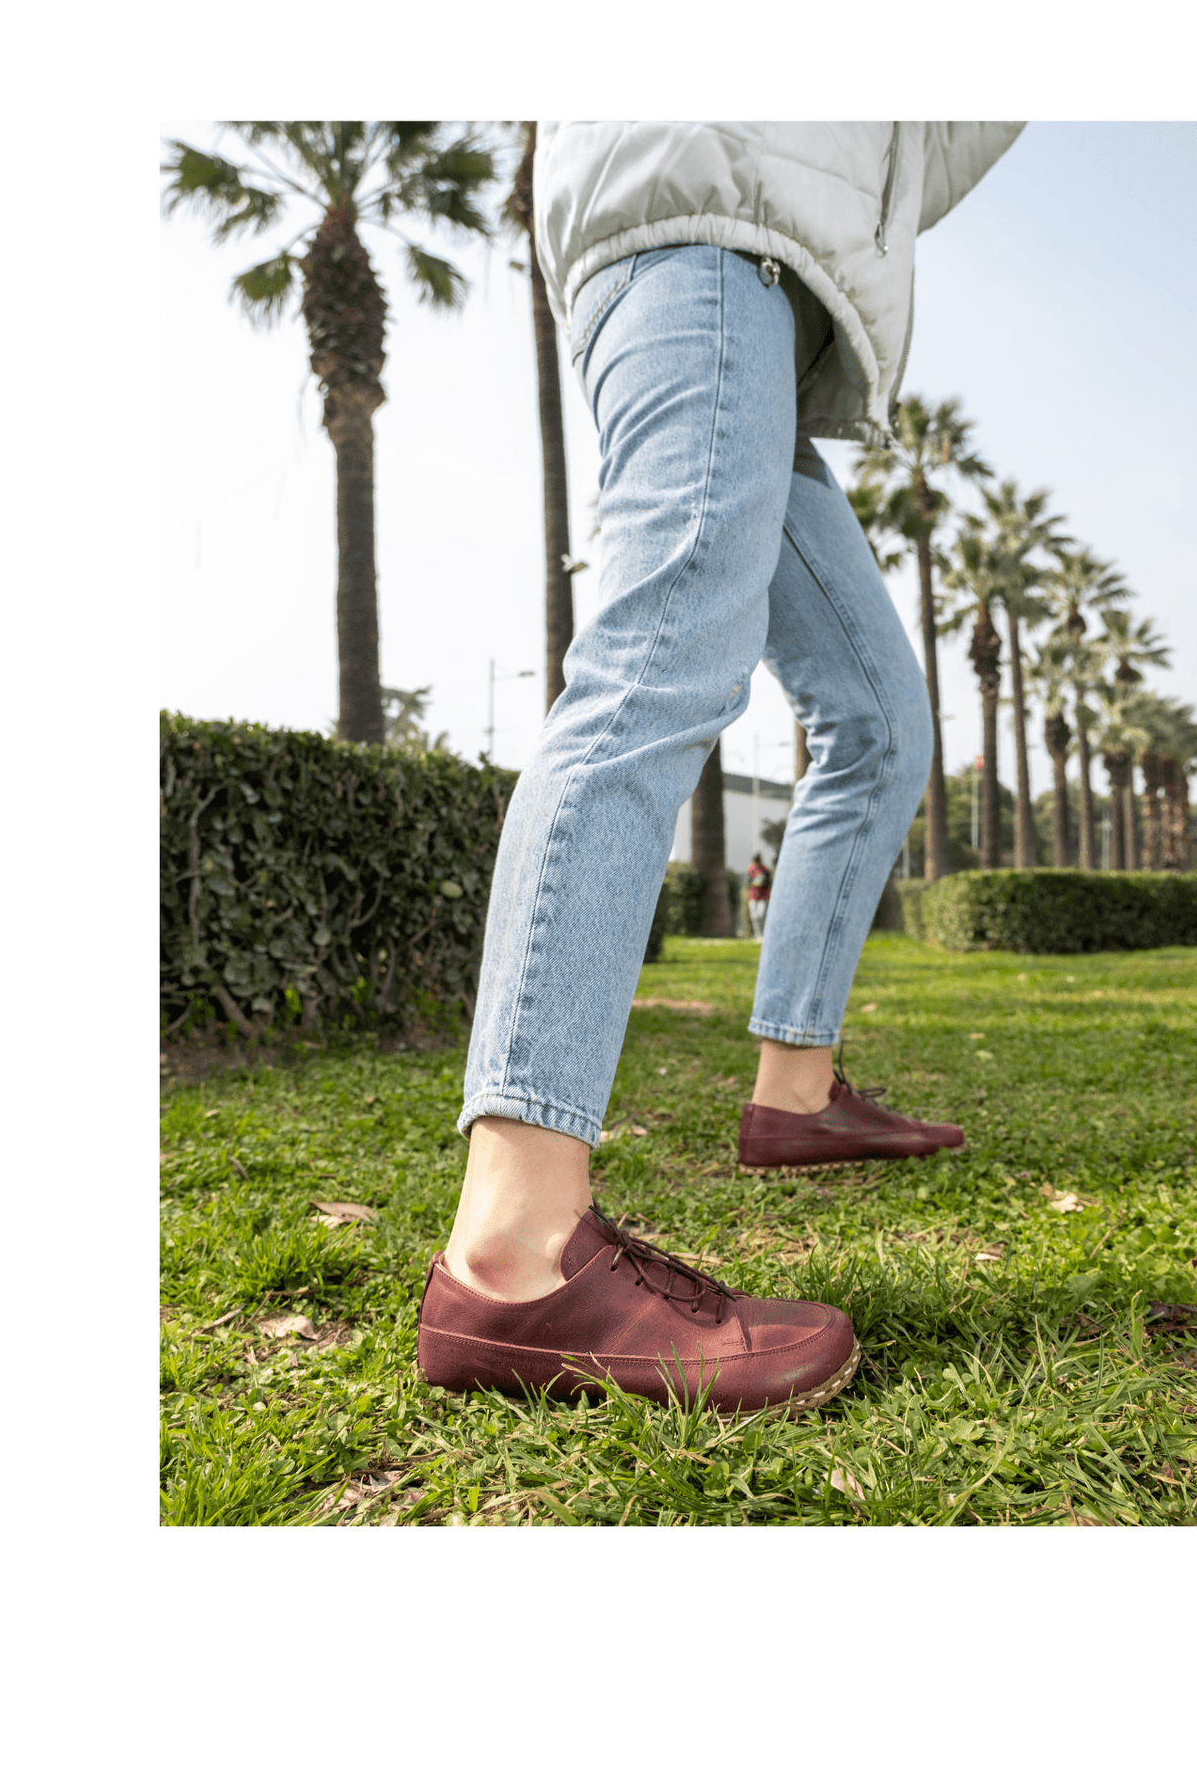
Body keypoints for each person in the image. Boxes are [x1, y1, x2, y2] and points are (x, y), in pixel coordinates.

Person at [418, 121, 1025, 1417]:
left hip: (758, 290)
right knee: (658, 660)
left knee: (875, 720)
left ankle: (794, 1092)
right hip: (701, 241)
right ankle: (510, 1251)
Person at [746, 851, 773, 940]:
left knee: (761, 915)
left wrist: (761, 883)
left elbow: (768, 881)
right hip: (753, 896)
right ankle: (758, 935)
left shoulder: (765, 870)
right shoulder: (751, 869)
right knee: (754, 916)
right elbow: (748, 882)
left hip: (763, 896)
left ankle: (764, 934)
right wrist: (753, 884)